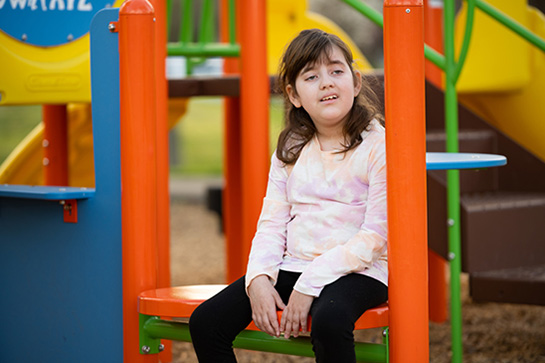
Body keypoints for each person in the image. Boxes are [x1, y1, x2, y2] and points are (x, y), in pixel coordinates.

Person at [189, 28, 388, 363]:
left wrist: (309, 283)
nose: (327, 82)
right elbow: (271, 224)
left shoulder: (378, 146)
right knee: (207, 323)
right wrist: (259, 279)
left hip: (359, 270)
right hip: (293, 264)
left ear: (355, 83)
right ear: (294, 95)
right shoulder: (291, 149)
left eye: (336, 71)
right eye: (311, 76)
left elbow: (375, 236)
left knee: (330, 321)